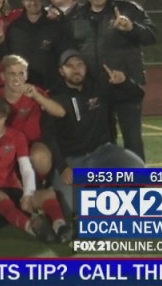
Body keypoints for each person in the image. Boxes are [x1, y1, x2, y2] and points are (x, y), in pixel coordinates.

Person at [66, 0, 156, 160]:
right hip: (95, 89)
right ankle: (110, 178)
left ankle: (137, 178)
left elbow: (151, 36)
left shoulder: (128, 9)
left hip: (127, 86)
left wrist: (131, 28)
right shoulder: (77, 16)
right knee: (104, 144)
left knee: (133, 141)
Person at [43, 50, 146, 217]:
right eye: (70, 66)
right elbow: (49, 136)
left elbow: (137, 95)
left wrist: (125, 81)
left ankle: (108, 194)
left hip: (102, 153)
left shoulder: (99, 88)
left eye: (80, 64)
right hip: (72, 160)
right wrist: (62, 167)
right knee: (71, 207)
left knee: (137, 170)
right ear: (61, 71)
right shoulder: (54, 97)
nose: (76, 69)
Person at [0, 96, 70, 243]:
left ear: (5, 117)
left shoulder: (16, 135)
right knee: (0, 197)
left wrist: (27, 195)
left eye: (0, 118)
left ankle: (60, 227)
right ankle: (32, 229)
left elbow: (26, 168)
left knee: (47, 194)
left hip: (12, 186)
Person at [0, 55, 65, 181]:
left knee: (41, 157)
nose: (17, 78)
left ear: (26, 75)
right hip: (4, 144)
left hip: (31, 144)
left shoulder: (35, 92)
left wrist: (37, 96)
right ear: (3, 76)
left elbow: (60, 113)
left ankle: (40, 184)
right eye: (12, 74)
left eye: (21, 73)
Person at [0, 0, 64, 89]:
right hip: (20, 87)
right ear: (23, 2)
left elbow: (62, 55)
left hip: (49, 88)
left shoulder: (54, 26)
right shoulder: (14, 27)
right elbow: (6, 58)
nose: (33, 2)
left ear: (42, 0)